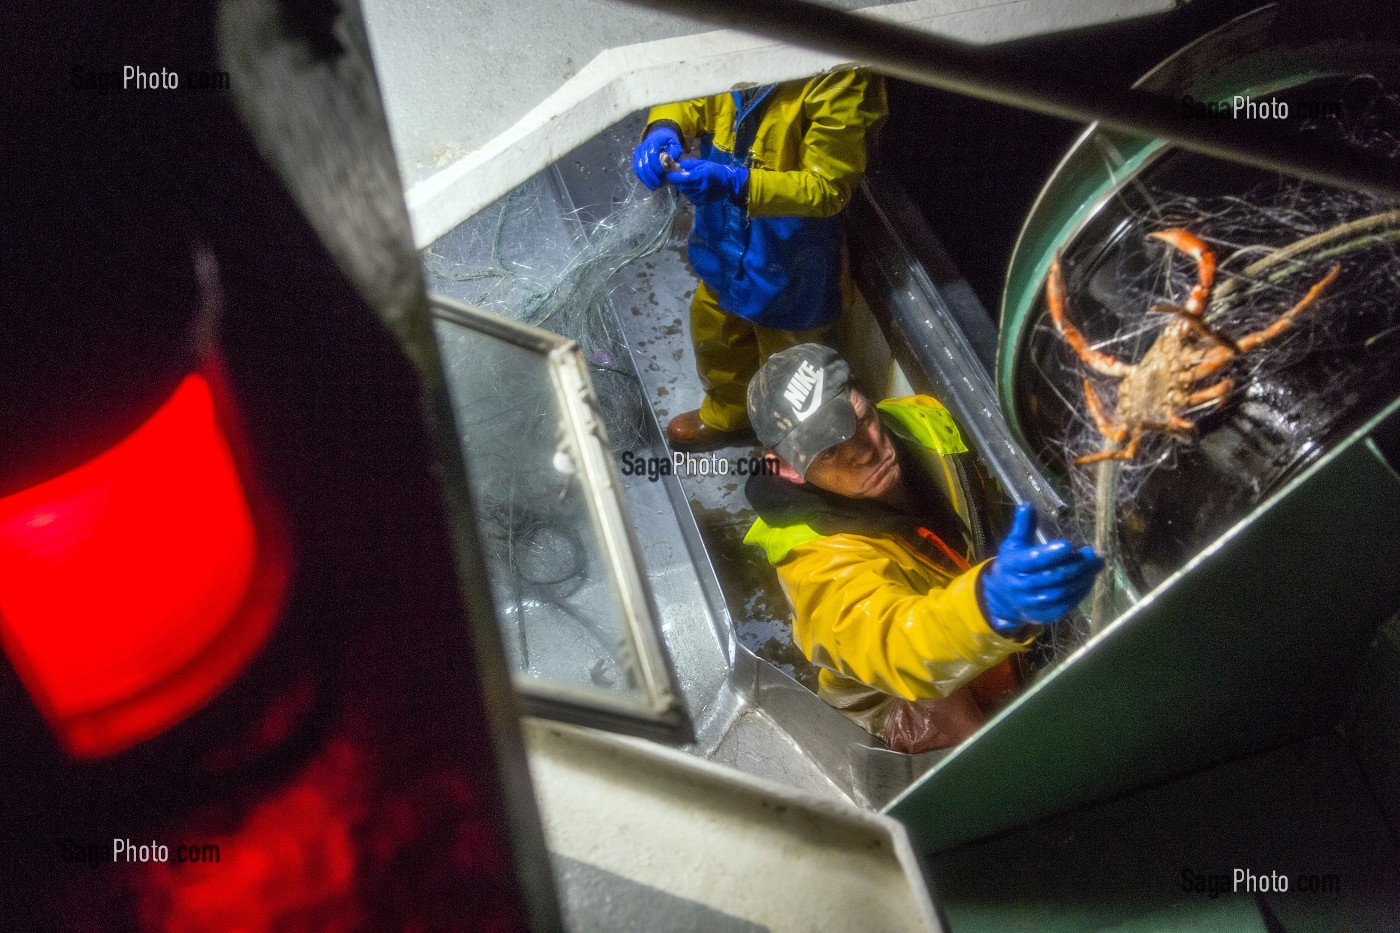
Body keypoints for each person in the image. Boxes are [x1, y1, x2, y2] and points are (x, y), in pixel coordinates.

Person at [743, 344, 1102, 753]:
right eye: (829, 451)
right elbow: (895, 642)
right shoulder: (813, 562)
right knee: (995, 755)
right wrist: (990, 604)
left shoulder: (921, 420)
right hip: (904, 696)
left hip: (987, 631)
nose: (865, 451)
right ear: (787, 468)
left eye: (862, 420)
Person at [631, 70, 887, 449]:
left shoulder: (838, 73)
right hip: (721, 244)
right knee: (716, 334)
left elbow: (828, 187)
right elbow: (693, 91)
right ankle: (727, 414)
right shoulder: (739, 39)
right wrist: (665, 125)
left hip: (791, 261)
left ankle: (794, 451)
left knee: (796, 372)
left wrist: (737, 183)